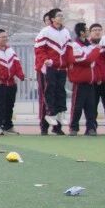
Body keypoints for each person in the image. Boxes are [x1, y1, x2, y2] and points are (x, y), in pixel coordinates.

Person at [34, 8, 71, 136]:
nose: (61, 17)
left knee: (60, 95)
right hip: (48, 69)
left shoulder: (66, 32)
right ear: (53, 19)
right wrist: (45, 61)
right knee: (47, 96)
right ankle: (44, 126)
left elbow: (69, 50)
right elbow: (39, 49)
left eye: (62, 15)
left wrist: (69, 63)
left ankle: (57, 127)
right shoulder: (45, 32)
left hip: (61, 68)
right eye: (58, 15)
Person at [67, 22, 104, 136]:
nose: (89, 31)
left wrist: (98, 76)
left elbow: (94, 64)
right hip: (80, 82)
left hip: (90, 81)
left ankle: (91, 128)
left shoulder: (90, 46)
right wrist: (96, 50)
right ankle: (74, 128)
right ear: (82, 32)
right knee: (77, 106)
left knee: (91, 107)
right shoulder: (74, 46)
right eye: (87, 30)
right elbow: (86, 60)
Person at [0, 29, 24, 135]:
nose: (5, 39)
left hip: (11, 83)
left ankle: (8, 126)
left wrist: (20, 75)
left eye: (6, 37)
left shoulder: (10, 50)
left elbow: (16, 64)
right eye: (3, 37)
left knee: (10, 106)